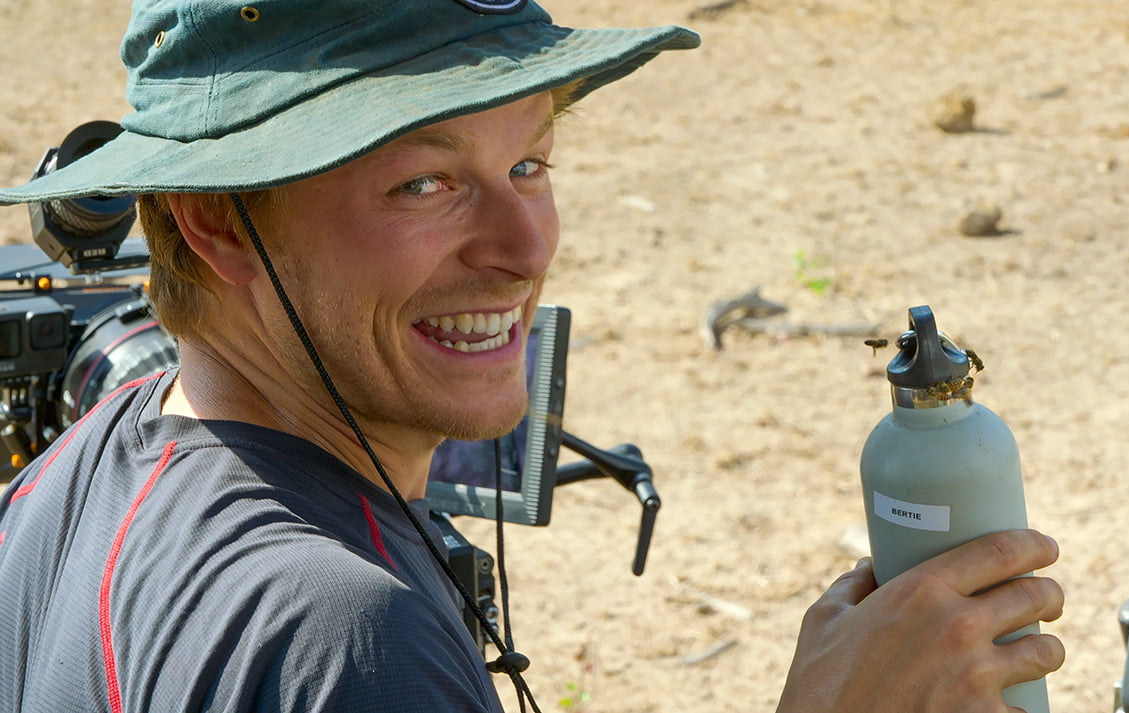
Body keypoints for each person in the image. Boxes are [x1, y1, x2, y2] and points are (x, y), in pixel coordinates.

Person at [0, 1, 1064, 712]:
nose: (524, 247)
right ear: (213, 224)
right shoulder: (340, 633)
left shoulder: (77, 467)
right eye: (424, 183)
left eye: (527, 161)